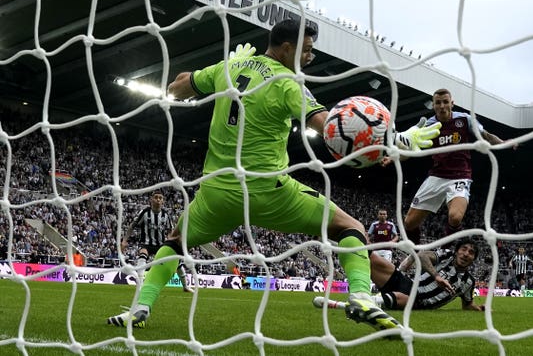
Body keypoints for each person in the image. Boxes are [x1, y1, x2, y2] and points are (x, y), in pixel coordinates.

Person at [107, 19, 437, 332]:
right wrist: (392, 142)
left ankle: (140, 307)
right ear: (284, 48)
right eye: (306, 49)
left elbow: (177, 87)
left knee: (175, 242)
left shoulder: (229, 67)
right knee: (349, 227)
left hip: (217, 193)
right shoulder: (288, 83)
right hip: (269, 192)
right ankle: (362, 297)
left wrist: (222, 72)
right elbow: (331, 130)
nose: (311, 56)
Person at [383, 88, 511, 244]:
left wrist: (503, 143)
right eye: (438, 103)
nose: (442, 106)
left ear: (452, 103)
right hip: (436, 176)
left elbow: (486, 135)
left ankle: (447, 248)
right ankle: (416, 254)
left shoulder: (465, 119)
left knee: (455, 217)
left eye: (445, 102)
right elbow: (411, 151)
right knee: (409, 223)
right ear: (433, 105)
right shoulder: (429, 125)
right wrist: (392, 158)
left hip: (460, 176)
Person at [313, 238, 485, 311]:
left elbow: (467, 304)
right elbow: (423, 255)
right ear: (457, 251)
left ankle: (343, 304)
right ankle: (341, 242)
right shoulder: (446, 255)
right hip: (409, 284)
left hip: (419, 301)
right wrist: (436, 276)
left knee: (405, 298)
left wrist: (479, 308)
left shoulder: (468, 281)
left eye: (471, 252)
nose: (466, 254)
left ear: (473, 259)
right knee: (371, 257)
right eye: (463, 249)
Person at [120, 192, 193, 293]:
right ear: (151, 200)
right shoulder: (145, 212)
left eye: (160, 198)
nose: (158, 199)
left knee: (177, 262)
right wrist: (124, 240)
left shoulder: (165, 215)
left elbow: (170, 231)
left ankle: (185, 286)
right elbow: (132, 226)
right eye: (156, 197)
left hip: (161, 245)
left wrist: (175, 242)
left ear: (163, 201)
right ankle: (140, 285)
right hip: (146, 243)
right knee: (143, 254)